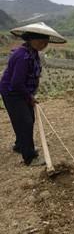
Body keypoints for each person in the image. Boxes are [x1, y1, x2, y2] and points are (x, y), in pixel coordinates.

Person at [0, 23, 66, 166]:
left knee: (27, 118)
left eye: (46, 42)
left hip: (21, 91)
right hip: (12, 92)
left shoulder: (32, 52)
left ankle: (20, 144)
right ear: (32, 39)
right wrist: (29, 97)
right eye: (42, 41)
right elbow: (16, 82)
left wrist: (30, 95)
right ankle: (30, 157)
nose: (44, 44)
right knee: (25, 121)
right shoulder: (21, 56)